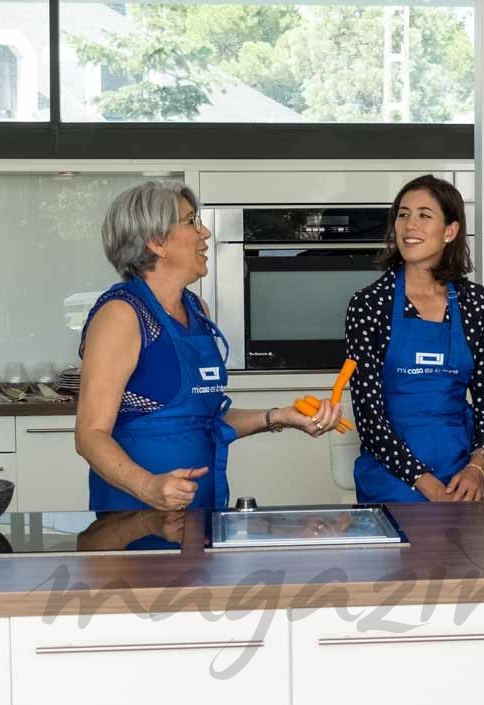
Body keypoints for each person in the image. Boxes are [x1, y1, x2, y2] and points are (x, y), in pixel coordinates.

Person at [76, 181, 341, 512]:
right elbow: (90, 434)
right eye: (190, 222)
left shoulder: (197, 309)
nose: (205, 234)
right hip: (134, 514)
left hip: (201, 508)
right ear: (155, 241)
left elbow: (203, 417)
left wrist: (279, 417)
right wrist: (149, 487)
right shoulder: (122, 314)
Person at [345, 174, 484, 503]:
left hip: (465, 454)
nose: (410, 225)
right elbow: (369, 417)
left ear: (450, 231)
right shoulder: (370, 305)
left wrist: (477, 468)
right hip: (396, 463)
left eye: (424, 215)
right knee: (421, 541)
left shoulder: (476, 302)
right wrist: (425, 483)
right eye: (403, 214)